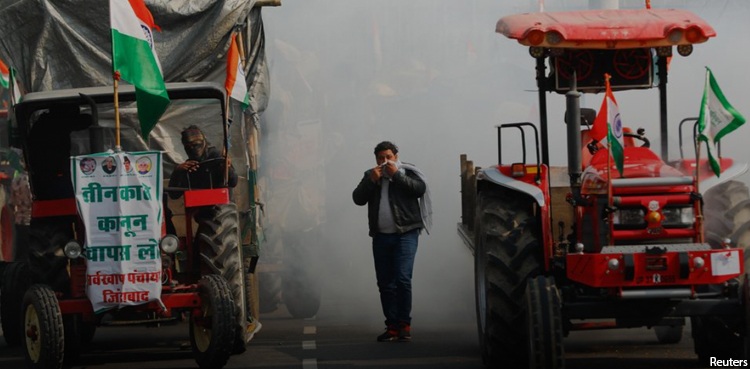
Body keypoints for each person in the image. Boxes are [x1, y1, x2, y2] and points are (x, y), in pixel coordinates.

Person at [352, 141, 431, 342]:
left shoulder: (408, 171)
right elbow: (358, 199)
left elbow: (419, 189)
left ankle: (404, 324)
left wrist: (396, 175)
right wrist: (372, 181)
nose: (385, 161)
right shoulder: (371, 175)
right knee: (386, 283)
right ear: (376, 159)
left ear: (396, 156)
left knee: (402, 278)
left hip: (406, 233)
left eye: (388, 156)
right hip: (381, 236)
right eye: (380, 158)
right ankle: (392, 326)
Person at [168, 125, 237, 194]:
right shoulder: (188, 166)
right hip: (199, 203)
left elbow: (233, 182)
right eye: (188, 147)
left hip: (221, 202)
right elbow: (173, 194)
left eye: (195, 145)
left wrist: (227, 168)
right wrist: (177, 171)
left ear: (203, 143)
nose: (192, 149)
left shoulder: (216, 157)